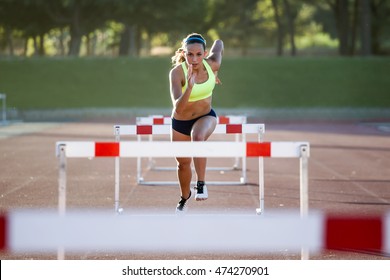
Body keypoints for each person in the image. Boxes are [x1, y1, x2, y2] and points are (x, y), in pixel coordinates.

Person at [169, 33, 224, 212]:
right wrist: (190, 87)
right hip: (181, 121)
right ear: (184, 53)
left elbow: (219, 43)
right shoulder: (177, 73)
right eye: (190, 54)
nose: (194, 59)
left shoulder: (212, 64)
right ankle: (184, 197)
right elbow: (178, 108)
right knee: (183, 164)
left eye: (199, 54)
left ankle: (201, 184)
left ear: (205, 53)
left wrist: (216, 72)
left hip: (205, 116)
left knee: (198, 136)